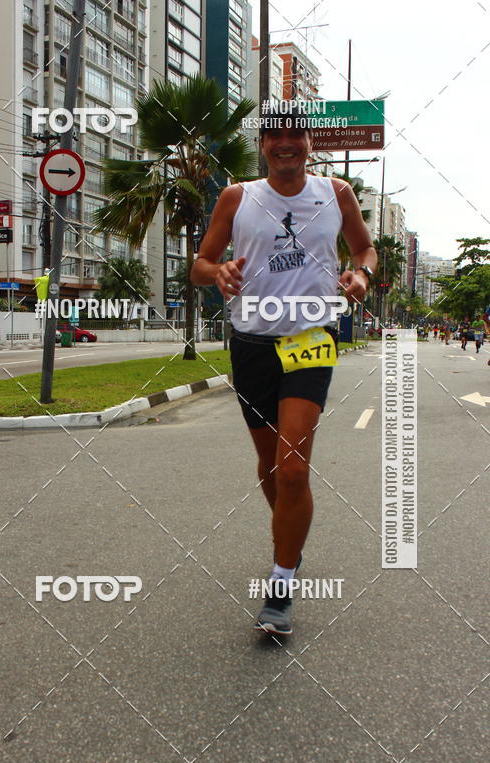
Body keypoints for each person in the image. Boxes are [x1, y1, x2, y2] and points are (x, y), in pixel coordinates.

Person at [191, 109, 377, 635]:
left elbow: (365, 248)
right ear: (264, 144)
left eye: (297, 133)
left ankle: (282, 579)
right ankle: (289, 539)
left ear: (310, 141)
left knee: (293, 468)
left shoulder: (336, 193)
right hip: (251, 342)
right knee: (272, 466)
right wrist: (218, 271)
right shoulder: (237, 197)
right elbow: (200, 264)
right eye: (275, 135)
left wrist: (361, 274)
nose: (286, 143)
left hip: (311, 339)